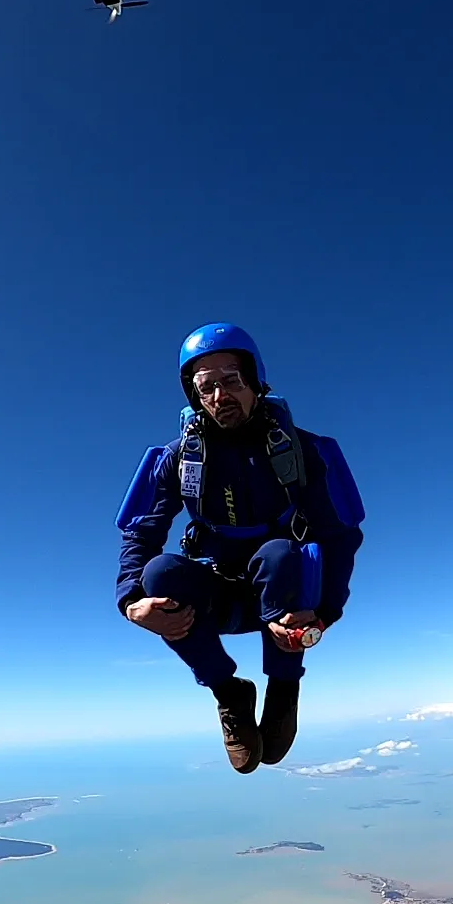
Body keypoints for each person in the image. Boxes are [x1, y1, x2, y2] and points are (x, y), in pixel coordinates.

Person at [115, 323, 365, 774]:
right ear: (193, 395)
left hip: (283, 591)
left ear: (255, 381)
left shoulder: (301, 449)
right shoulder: (180, 457)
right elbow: (140, 532)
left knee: (283, 553)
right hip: (221, 595)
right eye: (205, 386)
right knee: (159, 575)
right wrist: (131, 603)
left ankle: (284, 688)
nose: (219, 395)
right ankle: (228, 691)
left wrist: (325, 612)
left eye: (231, 380)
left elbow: (341, 534)